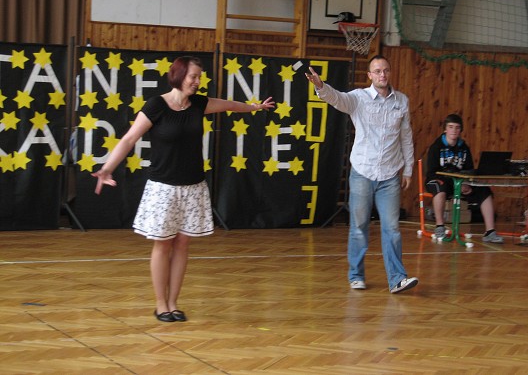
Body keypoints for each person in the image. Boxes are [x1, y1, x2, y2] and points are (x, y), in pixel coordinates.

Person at [93, 56, 275, 322]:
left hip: (193, 187)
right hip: (163, 188)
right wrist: (107, 168)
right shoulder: (157, 106)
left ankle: (174, 303)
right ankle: (160, 304)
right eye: (193, 77)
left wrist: (255, 107)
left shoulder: (198, 104)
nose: (197, 82)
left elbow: (228, 105)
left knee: (182, 245)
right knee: (163, 245)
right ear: (178, 76)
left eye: (199, 77)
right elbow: (130, 138)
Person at [305, 55, 419, 294]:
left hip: (390, 176)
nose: (382, 75)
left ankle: (397, 278)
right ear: (370, 75)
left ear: (390, 73)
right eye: (377, 71)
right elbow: (337, 99)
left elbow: (406, 137)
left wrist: (408, 168)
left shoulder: (402, 101)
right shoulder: (358, 99)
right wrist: (320, 86)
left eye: (386, 70)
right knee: (359, 227)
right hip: (362, 173)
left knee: (393, 229)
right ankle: (356, 275)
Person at [425, 114, 504, 243]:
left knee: (484, 191)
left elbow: (469, 169)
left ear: (460, 130)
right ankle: (440, 227)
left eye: (457, 128)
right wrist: (455, 182)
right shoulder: (436, 147)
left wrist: (466, 183)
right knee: (440, 188)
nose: (454, 130)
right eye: (451, 127)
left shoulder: (464, 148)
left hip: (460, 182)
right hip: (439, 179)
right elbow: (432, 171)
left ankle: (490, 231)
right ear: (445, 129)